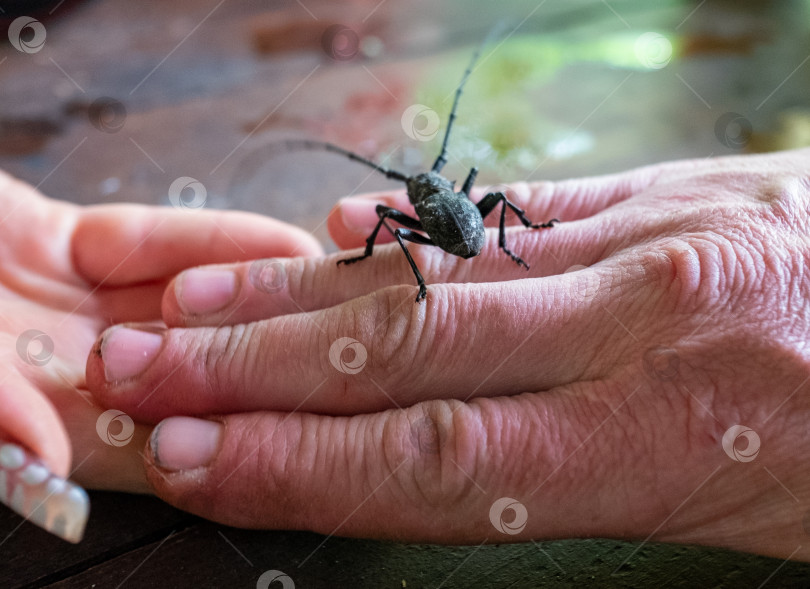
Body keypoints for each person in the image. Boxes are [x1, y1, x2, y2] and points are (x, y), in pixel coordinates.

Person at [2, 148, 810, 561]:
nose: (420, 197)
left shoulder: (423, 208)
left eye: (422, 192)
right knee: (418, 238)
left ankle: (480, 260)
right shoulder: (419, 212)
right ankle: (472, 265)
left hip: (467, 238)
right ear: (423, 198)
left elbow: (458, 214)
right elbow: (446, 219)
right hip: (463, 241)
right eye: (419, 195)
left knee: (440, 230)